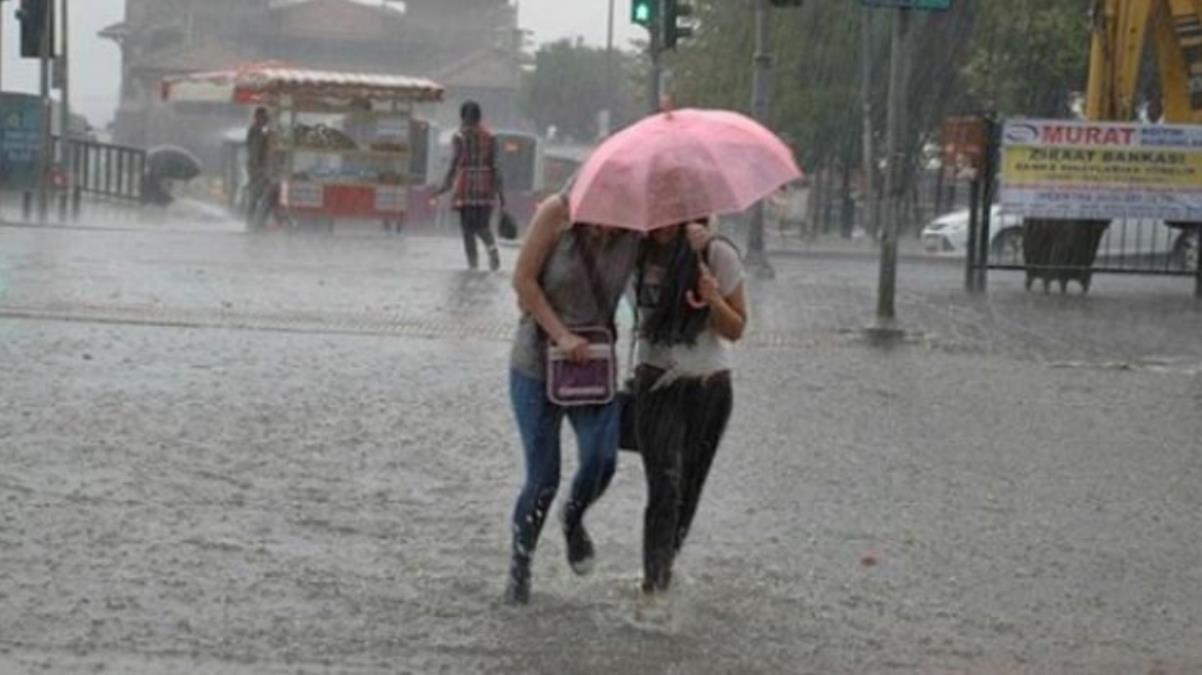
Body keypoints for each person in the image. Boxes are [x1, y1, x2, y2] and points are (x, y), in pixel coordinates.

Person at [506, 187, 711, 606]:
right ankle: (520, 567)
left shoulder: (635, 234)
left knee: (602, 459)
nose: (605, 225)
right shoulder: (555, 214)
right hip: (536, 362)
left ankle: (574, 517)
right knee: (542, 479)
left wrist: (703, 240)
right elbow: (522, 281)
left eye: (615, 216)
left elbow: (670, 254)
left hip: (594, 367)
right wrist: (561, 334)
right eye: (598, 214)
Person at [633, 219, 748, 617]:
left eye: (673, 212)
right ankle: (653, 587)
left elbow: (736, 328)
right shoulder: (634, 250)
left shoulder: (716, 254)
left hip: (708, 388)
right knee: (664, 484)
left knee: (689, 488)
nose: (661, 222)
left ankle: (665, 565)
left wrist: (713, 298)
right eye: (656, 211)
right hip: (656, 383)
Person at [437, 101, 505, 271]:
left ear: (463, 117)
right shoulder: (490, 137)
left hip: (466, 186)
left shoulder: (459, 137)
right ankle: (492, 248)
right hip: (486, 187)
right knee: (483, 224)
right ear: (479, 117)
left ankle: (472, 266)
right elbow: (496, 165)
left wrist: (445, 185)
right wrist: (501, 192)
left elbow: (455, 163)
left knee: (467, 229)